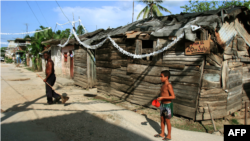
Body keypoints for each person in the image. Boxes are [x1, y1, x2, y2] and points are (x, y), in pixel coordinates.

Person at [154, 70, 175, 140]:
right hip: (162, 105)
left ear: (166, 77)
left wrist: (163, 97)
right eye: (160, 76)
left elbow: (173, 96)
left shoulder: (169, 85)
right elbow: (163, 94)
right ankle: (162, 133)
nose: (160, 78)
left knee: (167, 120)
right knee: (162, 119)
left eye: (161, 76)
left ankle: (169, 136)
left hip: (167, 106)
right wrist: (159, 99)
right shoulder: (163, 85)